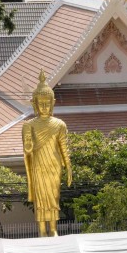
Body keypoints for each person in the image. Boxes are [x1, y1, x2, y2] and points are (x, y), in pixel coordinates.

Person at [21, 71, 72, 237]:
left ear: (53, 103)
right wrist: (28, 145)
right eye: (40, 103)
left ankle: (53, 228)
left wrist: (69, 168)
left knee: (53, 196)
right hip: (38, 164)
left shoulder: (59, 124)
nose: (44, 107)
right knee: (41, 197)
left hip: (53, 165)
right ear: (34, 104)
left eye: (47, 103)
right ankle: (42, 230)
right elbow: (27, 149)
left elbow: (64, 147)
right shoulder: (29, 125)